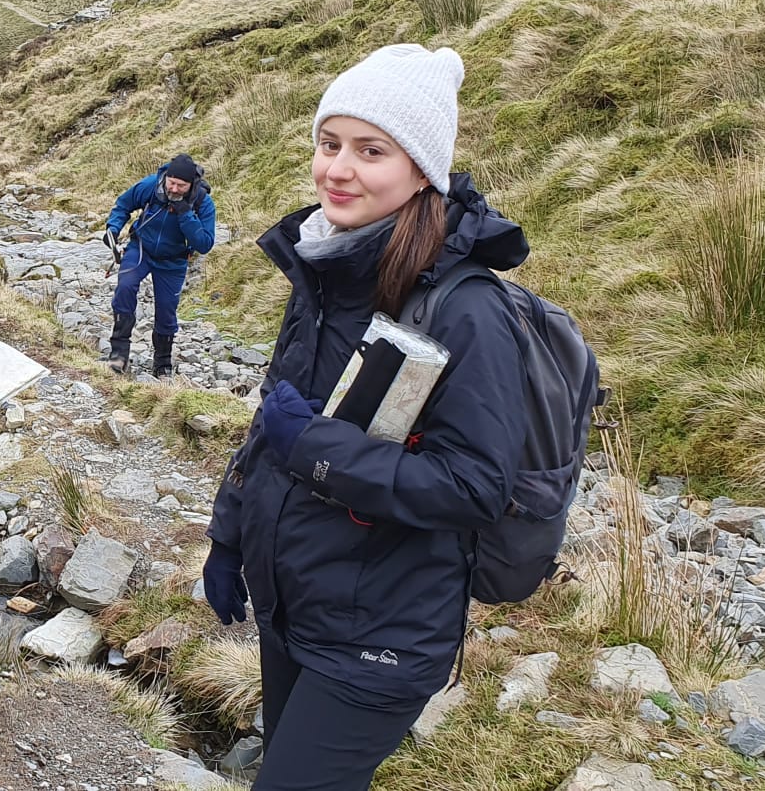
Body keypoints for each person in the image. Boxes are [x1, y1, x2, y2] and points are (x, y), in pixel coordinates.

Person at [200, 45, 529, 791]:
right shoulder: (325, 267)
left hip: (381, 636)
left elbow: (474, 487)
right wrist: (229, 535)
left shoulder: (466, 307)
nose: (337, 169)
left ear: (422, 170)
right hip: (298, 606)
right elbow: (267, 428)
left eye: (370, 150)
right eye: (329, 143)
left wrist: (314, 448)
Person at [102, 154, 216, 375]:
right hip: (141, 249)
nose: (173, 189)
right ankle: (118, 354)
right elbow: (123, 205)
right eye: (171, 183)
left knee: (166, 310)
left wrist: (185, 214)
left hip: (174, 261)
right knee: (125, 287)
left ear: (191, 185)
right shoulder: (150, 186)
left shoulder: (203, 203)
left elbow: (204, 244)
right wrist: (113, 229)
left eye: (180, 186)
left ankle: (162, 364)